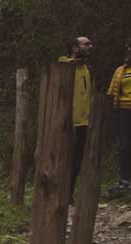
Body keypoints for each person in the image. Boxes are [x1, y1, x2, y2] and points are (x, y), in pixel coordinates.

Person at [60, 36, 94, 200]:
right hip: (65, 122)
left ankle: (69, 194)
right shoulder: (63, 67)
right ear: (75, 48)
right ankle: (59, 193)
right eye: (86, 44)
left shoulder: (87, 70)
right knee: (63, 159)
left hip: (83, 122)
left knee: (76, 160)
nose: (90, 46)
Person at [110, 42, 131, 194]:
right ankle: (125, 180)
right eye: (128, 52)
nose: (128, 54)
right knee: (124, 146)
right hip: (123, 111)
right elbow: (112, 91)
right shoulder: (120, 70)